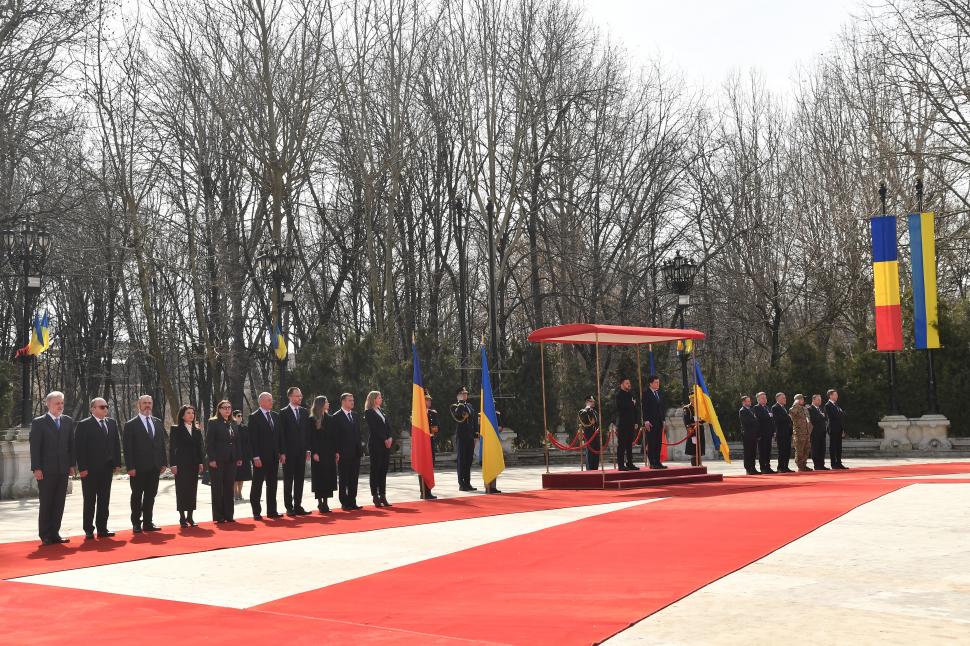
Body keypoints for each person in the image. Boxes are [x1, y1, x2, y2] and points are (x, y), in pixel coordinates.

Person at [30, 391, 75, 545]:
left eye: (62, 403)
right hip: (46, 471)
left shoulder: (68, 421)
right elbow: (35, 448)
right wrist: (36, 468)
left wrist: (71, 465)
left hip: (63, 469)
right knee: (47, 502)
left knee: (59, 503)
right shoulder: (39, 422)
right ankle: (45, 535)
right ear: (48, 404)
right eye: (57, 403)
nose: (60, 406)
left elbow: (71, 445)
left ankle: (55, 532)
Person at [74, 397, 121, 539]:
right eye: (101, 407)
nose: (105, 409)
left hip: (107, 469)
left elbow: (116, 444)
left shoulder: (111, 423)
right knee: (89, 500)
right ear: (92, 409)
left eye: (106, 406)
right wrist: (82, 468)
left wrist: (117, 463)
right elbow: (79, 448)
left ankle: (102, 528)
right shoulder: (84, 424)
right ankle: (88, 529)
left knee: (104, 499)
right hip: (90, 470)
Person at [123, 394, 167, 532]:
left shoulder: (158, 422)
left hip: (155, 467)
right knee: (137, 495)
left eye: (149, 403)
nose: (147, 405)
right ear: (139, 405)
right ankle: (136, 523)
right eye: (144, 403)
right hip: (138, 468)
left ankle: (148, 522)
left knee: (150, 495)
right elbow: (127, 448)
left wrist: (164, 462)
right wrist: (130, 466)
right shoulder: (131, 424)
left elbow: (161, 444)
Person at [249, 391, 285, 520]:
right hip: (260, 458)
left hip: (274, 457)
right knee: (257, 484)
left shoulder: (275, 416)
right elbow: (252, 440)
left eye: (271, 399)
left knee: (272, 484)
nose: (272, 402)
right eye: (269, 400)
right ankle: (256, 511)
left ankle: (272, 510)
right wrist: (255, 457)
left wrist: (282, 452)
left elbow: (280, 436)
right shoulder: (254, 417)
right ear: (261, 402)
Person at [207, 400, 243, 523]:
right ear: (219, 409)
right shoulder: (213, 422)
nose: (227, 409)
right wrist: (211, 459)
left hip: (231, 459)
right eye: (224, 407)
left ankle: (229, 515)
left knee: (229, 487)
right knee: (218, 487)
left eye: (229, 407)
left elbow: (237, 441)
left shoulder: (233, 422)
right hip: (217, 460)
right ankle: (218, 516)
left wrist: (239, 457)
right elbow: (209, 442)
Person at [169, 404, 204, 527]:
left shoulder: (197, 430)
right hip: (181, 464)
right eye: (188, 413)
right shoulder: (176, 429)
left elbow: (200, 448)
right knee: (182, 490)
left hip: (193, 464)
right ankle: (182, 518)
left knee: (192, 490)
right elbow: (172, 448)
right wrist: (173, 464)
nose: (191, 415)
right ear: (182, 415)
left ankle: (190, 517)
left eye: (193, 413)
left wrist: (200, 462)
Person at [279, 387, 311, 516]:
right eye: (297, 396)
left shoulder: (304, 412)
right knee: (288, 480)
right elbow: (281, 434)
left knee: (299, 480)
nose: (300, 398)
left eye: (301, 396)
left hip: (302, 452)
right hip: (288, 453)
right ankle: (289, 507)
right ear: (290, 397)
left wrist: (308, 449)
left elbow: (307, 432)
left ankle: (298, 505)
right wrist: (282, 452)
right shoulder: (283, 412)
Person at [332, 392, 363, 510]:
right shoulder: (336, 416)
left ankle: (352, 501)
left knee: (354, 479)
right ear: (343, 401)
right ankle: (344, 502)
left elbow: (358, 434)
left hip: (355, 453)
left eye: (353, 400)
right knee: (344, 479)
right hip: (343, 454)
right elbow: (335, 437)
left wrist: (360, 449)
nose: (352, 402)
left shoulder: (354, 415)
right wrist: (336, 452)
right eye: (350, 400)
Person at [365, 390, 393, 507]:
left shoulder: (381, 411)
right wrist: (384, 439)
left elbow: (387, 426)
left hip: (385, 444)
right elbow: (374, 429)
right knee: (375, 470)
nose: (381, 399)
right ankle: (375, 496)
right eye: (379, 397)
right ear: (373, 399)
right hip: (376, 444)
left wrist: (390, 437)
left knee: (383, 470)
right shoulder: (369, 412)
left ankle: (383, 495)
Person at [309, 395, 337, 513]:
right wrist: (314, 452)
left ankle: (326, 502)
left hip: (329, 453)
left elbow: (334, 437)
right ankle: (320, 502)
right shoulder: (312, 419)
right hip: (318, 453)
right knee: (319, 477)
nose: (328, 403)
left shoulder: (330, 418)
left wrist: (336, 451)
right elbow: (311, 438)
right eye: (326, 402)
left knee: (328, 477)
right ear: (321, 404)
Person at [451, 386, 478, 491]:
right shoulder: (455, 406)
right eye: (462, 393)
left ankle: (467, 482)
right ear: (458, 395)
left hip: (470, 437)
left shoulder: (470, 406)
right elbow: (457, 414)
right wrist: (461, 402)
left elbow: (474, 421)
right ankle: (461, 484)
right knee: (462, 460)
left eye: (466, 393)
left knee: (469, 460)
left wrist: (476, 435)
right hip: (461, 437)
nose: (465, 395)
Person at [642, 375, 667, 470]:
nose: (658, 384)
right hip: (651, 422)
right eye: (656, 382)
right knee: (651, 443)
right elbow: (644, 408)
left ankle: (657, 461)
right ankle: (652, 462)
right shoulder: (646, 393)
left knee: (658, 443)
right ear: (651, 383)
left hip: (659, 422)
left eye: (658, 382)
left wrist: (663, 420)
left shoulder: (658, 393)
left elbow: (661, 408)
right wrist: (646, 421)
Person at [614, 378, 638, 470]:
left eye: (629, 383)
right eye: (627, 383)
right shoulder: (619, 395)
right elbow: (622, 407)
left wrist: (636, 421)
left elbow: (635, 409)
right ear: (622, 384)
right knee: (622, 445)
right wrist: (632, 403)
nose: (629, 384)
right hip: (623, 423)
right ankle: (620, 464)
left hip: (631, 422)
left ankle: (630, 463)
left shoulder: (631, 394)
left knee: (629, 445)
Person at [419, 393, 438, 499]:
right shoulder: (418, 414)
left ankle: (428, 490)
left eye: (430, 400)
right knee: (423, 466)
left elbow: (436, 427)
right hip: (422, 442)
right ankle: (423, 491)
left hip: (430, 440)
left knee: (431, 465)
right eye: (427, 400)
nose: (429, 402)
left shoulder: (432, 413)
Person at [825, 389, 848, 469]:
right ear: (830, 396)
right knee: (833, 446)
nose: (837, 396)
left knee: (839, 446)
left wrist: (843, 429)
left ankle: (839, 462)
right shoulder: (828, 405)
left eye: (837, 395)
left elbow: (843, 415)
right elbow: (832, 416)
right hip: (833, 428)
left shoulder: (836, 405)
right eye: (835, 395)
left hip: (839, 428)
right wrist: (840, 414)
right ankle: (833, 463)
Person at [232, 410, 252, 501]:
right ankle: (235, 493)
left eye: (241, 416)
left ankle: (240, 492)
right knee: (235, 476)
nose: (240, 417)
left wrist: (249, 455)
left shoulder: (245, 428)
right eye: (238, 416)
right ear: (234, 417)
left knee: (242, 476)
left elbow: (248, 441)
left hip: (244, 455)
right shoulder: (231, 427)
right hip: (234, 454)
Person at [753, 392, 775, 474]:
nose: (765, 399)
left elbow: (772, 420)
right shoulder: (756, 408)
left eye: (765, 398)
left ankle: (768, 466)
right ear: (758, 399)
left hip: (769, 433)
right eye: (762, 398)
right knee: (762, 451)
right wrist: (768, 415)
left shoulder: (767, 408)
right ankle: (763, 467)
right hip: (761, 433)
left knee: (768, 451)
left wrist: (773, 431)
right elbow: (760, 418)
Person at [771, 393, 793, 473]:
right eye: (783, 398)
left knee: (787, 450)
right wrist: (788, 417)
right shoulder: (775, 407)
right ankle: (780, 467)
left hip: (787, 433)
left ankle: (786, 466)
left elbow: (789, 420)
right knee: (782, 451)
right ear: (778, 399)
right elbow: (778, 420)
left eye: (785, 398)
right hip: (781, 433)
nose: (785, 399)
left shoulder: (784, 408)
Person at [789, 394, 813, 472]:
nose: (803, 400)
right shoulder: (794, 408)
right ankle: (800, 466)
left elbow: (808, 420)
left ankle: (804, 465)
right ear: (798, 400)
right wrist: (795, 404)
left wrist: (809, 430)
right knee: (799, 450)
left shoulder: (805, 409)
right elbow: (791, 413)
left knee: (807, 449)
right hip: (799, 434)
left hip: (806, 433)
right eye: (802, 399)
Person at [738, 395, 760, 475]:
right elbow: (748, 422)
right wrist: (755, 420)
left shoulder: (751, 410)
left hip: (753, 434)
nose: (750, 402)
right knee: (748, 452)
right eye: (748, 401)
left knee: (753, 452)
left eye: (750, 401)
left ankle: (753, 468)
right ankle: (748, 468)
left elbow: (755, 420)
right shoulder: (742, 411)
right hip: (747, 435)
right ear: (743, 402)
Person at [579, 395, 600, 471]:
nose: (593, 402)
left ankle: (595, 470)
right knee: (590, 455)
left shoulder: (595, 411)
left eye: (593, 401)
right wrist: (588, 409)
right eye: (591, 401)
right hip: (589, 436)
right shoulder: (582, 412)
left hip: (596, 435)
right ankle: (590, 471)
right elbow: (587, 422)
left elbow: (597, 423)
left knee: (596, 455)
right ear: (587, 402)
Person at [683, 395, 706, 467]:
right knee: (693, 449)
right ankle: (694, 465)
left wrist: (700, 422)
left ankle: (699, 463)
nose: (693, 400)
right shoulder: (687, 408)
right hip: (693, 430)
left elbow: (704, 418)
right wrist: (693, 425)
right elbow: (686, 421)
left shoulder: (700, 407)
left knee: (700, 448)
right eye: (691, 398)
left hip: (700, 429)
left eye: (694, 398)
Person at [809, 394, 829, 470]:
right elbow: (813, 419)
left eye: (820, 400)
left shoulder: (820, 409)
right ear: (813, 400)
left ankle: (821, 464)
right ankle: (817, 465)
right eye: (818, 400)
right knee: (815, 449)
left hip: (822, 432)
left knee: (822, 449)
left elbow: (825, 418)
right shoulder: (810, 409)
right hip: (815, 432)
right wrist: (821, 416)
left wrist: (822, 416)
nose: (820, 401)